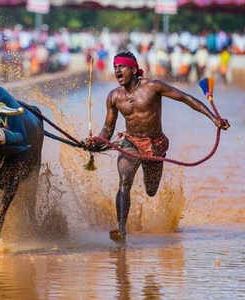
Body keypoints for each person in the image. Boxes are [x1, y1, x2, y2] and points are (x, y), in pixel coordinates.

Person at [86, 51, 230, 242]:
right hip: (130, 142)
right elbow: (108, 128)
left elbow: (186, 98)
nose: (117, 71)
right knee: (124, 181)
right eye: (115, 67)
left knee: (151, 190)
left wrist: (214, 119)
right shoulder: (114, 96)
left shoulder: (153, 86)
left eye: (121, 67)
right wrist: (96, 140)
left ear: (134, 69)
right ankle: (121, 230)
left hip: (155, 145)